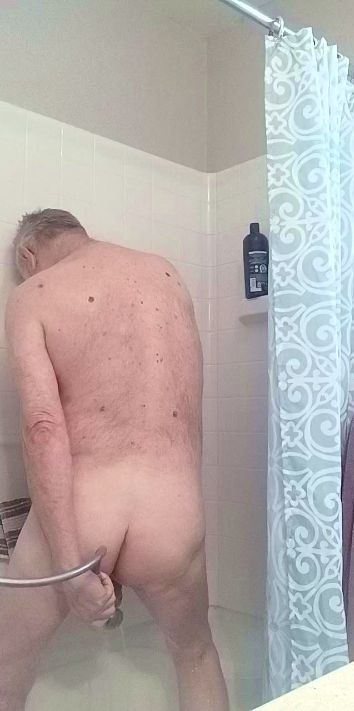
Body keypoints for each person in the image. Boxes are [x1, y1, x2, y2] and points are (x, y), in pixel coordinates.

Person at [0, 209, 229, 711]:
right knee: (195, 653)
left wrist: (69, 570)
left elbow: (42, 427)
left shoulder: (34, 294)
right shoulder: (167, 275)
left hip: (85, 508)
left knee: (7, 665)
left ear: (28, 255)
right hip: (172, 510)